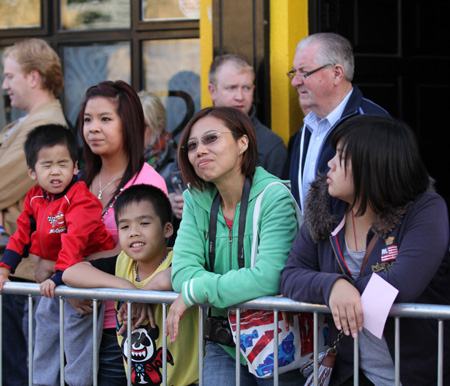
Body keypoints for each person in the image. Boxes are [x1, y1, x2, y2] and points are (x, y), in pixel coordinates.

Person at [280, 114, 450, 385]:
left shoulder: (425, 209)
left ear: (374, 166)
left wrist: (345, 289)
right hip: (353, 373)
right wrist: (332, 286)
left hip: (420, 373)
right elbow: (290, 276)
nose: (329, 164)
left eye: (341, 157)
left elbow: (399, 286)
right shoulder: (325, 208)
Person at [35, 80, 169, 385]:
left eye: (105, 119)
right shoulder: (75, 180)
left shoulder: (146, 183)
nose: (94, 128)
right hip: (70, 321)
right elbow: (49, 245)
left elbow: (138, 250)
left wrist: (71, 272)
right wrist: (64, 280)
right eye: (87, 119)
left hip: (118, 324)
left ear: (129, 123)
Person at [166, 106, 302, 385]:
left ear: (243, 143)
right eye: (192, 145)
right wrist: (196, 287)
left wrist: (198, 289)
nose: (199, 150)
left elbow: (271, 276)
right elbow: (181, 273)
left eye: (211, 138)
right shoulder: (195, 199)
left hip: (277, 341)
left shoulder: (274, 197)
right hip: (223, 341)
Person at [0, 124, 115, 386]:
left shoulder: (80, 199)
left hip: (81, 277)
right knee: (44, 334)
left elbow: (74, 243)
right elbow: (20, 236)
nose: (55, 171)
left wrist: (60, 277)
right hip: (55, 278)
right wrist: (4, 268)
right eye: (47, 165)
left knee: (78, 342)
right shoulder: (33, 198)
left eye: (63, 164)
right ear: (32, 172)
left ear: (75, 167)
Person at [63, 184, 199, 386]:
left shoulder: (179, 260)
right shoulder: (122, 263)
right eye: (125, 226)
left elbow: (182, 274)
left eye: (144, 223)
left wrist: (146, 293)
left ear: (167, 229)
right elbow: (70, 272)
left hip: (186, 381)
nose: (133, 232)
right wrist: (127, 288)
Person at [0, 38, 68, 386]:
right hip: (19, 270)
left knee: (22, 372)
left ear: (34, 77)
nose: (4, 85)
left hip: (26, 274)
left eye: (9, 76)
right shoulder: (23, 124)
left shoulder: (41, 129)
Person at [285, 32, 389, 210]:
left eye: (304, 72)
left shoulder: (372, 124)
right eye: (294, 72)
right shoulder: (306, 129)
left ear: (337, 73)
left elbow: (385, 201)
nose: (295, 82)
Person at [138, 90, 177, 183]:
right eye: (129, 125)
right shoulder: (121, 157)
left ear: (159, 126)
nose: (134, 132)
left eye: (141, 126)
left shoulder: (176, 162)